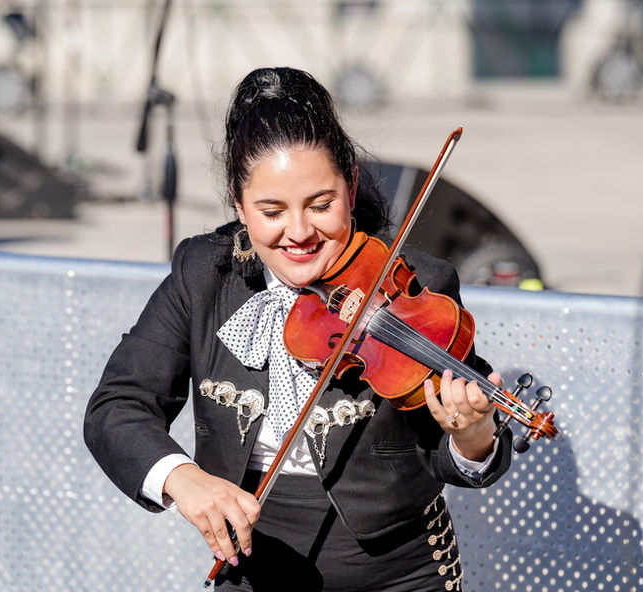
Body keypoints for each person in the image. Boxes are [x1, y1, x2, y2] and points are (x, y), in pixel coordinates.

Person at [83, 67, 513, 591]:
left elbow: (443, 455)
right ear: (238, 204)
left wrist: (472, 436)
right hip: (254, 572)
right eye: (271, 211)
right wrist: (185, 479)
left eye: (321, 204)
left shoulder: (414, 285)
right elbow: (118, 406)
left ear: (351, 188)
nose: (300, 232)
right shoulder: (204, 275)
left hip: (400, 576)